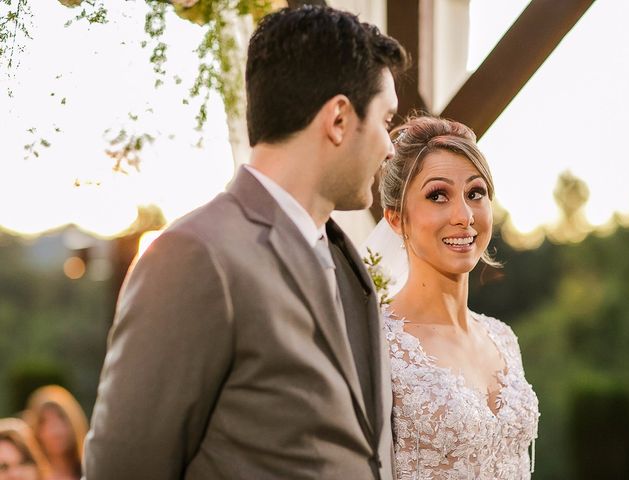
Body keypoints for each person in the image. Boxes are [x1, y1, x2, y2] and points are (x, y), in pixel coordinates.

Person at [84, 6, 408, 480]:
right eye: (386, 120)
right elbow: (123, 470)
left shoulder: (345, 262)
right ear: (339, 118)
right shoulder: (196, 255)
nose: (390, 146)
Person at [371, 115, 539, 479]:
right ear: (397, 219)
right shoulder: (377, 345)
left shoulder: (503, 338)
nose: (464, 215)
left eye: (475, 193)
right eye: (438, 196)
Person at [23, 386, 87, 480]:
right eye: (44, 422)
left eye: (61, 418)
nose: (55, 429)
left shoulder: (90, 470)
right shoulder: (29, 474)